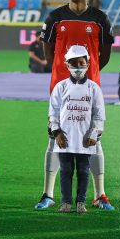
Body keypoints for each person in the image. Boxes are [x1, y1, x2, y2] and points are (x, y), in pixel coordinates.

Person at [36, 0, 114, 211]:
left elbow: (105, 54)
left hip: (90, 88)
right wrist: (61, 72)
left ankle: (100, 195)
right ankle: (48, 194)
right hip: (61, 88)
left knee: (94, 139)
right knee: (54, 139)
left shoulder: (100, 19)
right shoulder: (55, 18)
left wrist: (90, 74)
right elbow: (48, 52)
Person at [48, 45, 106, 213]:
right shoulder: (60, 87)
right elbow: (53, 112)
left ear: (87, 63)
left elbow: (99, 114)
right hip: (64, 138)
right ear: (67, 65)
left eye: (81, 63)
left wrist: (94, 133)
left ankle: (81, 202)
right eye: (73, 64)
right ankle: (66, 202)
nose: (77, 67)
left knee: (83, 171)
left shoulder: (94, 88)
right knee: (66, 171)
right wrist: (57, 132)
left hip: (85, 139)